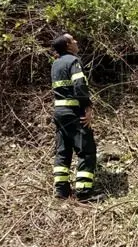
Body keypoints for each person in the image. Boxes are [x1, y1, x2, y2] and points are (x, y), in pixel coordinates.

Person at [50, 33, 102, 202]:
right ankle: (84, 193)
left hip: (59, 112)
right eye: (73, 40)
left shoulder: (55, 64)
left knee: (63, 150)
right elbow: (79, 85)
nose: (76, 42)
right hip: (74, 112)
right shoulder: (73, 62)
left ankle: (61, 191)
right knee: (86, 150)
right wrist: (87, 106)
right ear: (67, 45)